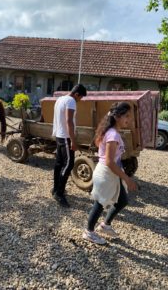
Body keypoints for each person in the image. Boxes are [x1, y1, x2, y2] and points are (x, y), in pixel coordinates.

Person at [83, 102, 137, 244]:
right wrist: (127, 178)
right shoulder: (112, 134)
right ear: (117, 116)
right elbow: (109, 161)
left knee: (122, 201)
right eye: (126, 116)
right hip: (107, 172)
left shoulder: (110, 131)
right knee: (100, 203)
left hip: (112, 173)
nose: (129, 119)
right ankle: (89, 232)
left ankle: (105, 225)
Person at [52, 84, 87, 207]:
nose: (79, 100)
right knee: (68, 164)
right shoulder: (71, 101)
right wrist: (73, 140)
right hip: (66, 137)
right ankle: (59, 194)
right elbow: (69, 121)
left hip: (59, 135)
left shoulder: (60, 99)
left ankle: (55, 189)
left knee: (59, 163)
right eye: (80, 98)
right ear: (77, 94)